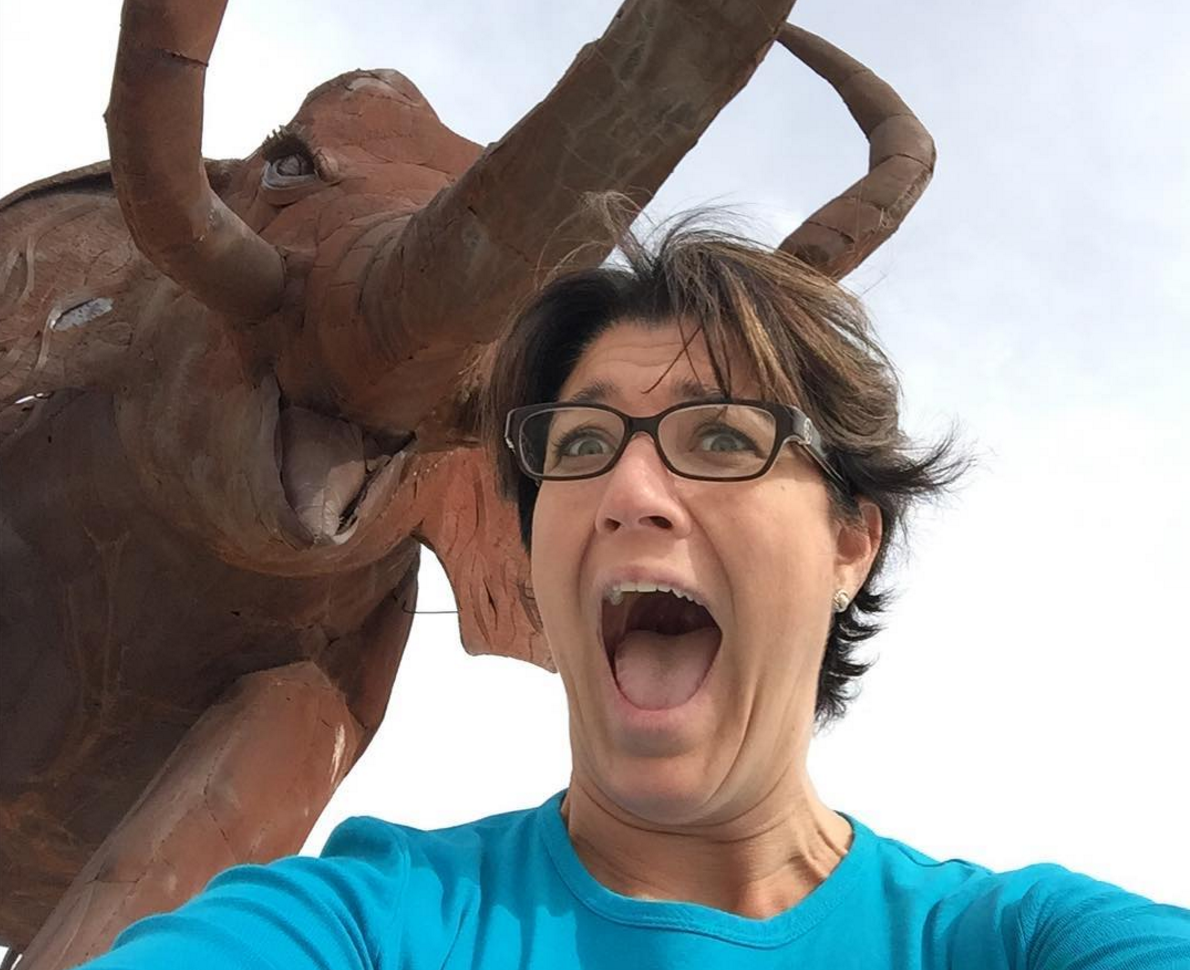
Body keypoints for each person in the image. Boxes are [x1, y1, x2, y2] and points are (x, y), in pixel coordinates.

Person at [75, 221, 1190, 968]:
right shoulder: (371, 922)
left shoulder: (1013, 942)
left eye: (721, 436)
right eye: (580, 443)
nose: (629, 491)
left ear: (851, 541)